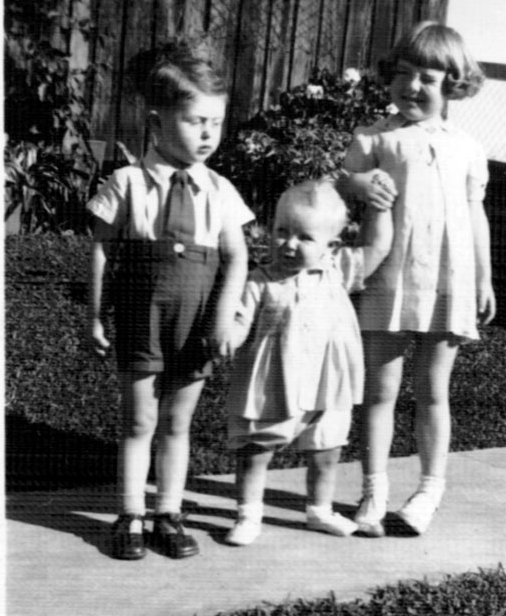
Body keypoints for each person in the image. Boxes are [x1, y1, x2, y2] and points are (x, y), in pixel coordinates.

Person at [87, 37, 253, 560]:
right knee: (139, 420)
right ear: (157, 122)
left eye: (215, 123)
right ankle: (131, 513)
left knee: (178, 422)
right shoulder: (128, 182)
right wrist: (95, 315)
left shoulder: (221, 191)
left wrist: (222, 320)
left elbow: (238, 258)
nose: (207, 134)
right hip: (143, 319)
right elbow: (102, 251)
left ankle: (169, 513)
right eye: (195, 121)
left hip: (197, 323)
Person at [341, 21, 496, 537]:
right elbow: (337, 186)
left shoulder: (467, 147)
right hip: (390, 276)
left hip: (450, 278)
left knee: (433, 391)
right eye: (403, 74)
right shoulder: (374, 138)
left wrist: (484, 278)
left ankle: (429, 490)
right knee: (380, 391)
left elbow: (475, 215)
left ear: (453, 85)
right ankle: (373, 489)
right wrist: (356, 183)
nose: (412, 86)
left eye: (427, 79)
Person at [225, 177, 394, 546]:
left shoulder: (339, 270)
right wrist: (227, 341)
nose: (289, 244)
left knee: (327, 449)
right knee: (257, 450)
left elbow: (379, 246)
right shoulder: (260, 280)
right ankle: (248, 514)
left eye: (304, 237)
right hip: (273, 381)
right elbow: (239, 320)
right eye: (281, 232)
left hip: (328, 382)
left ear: (331, 246)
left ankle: (319, 509)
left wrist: (380, 206)